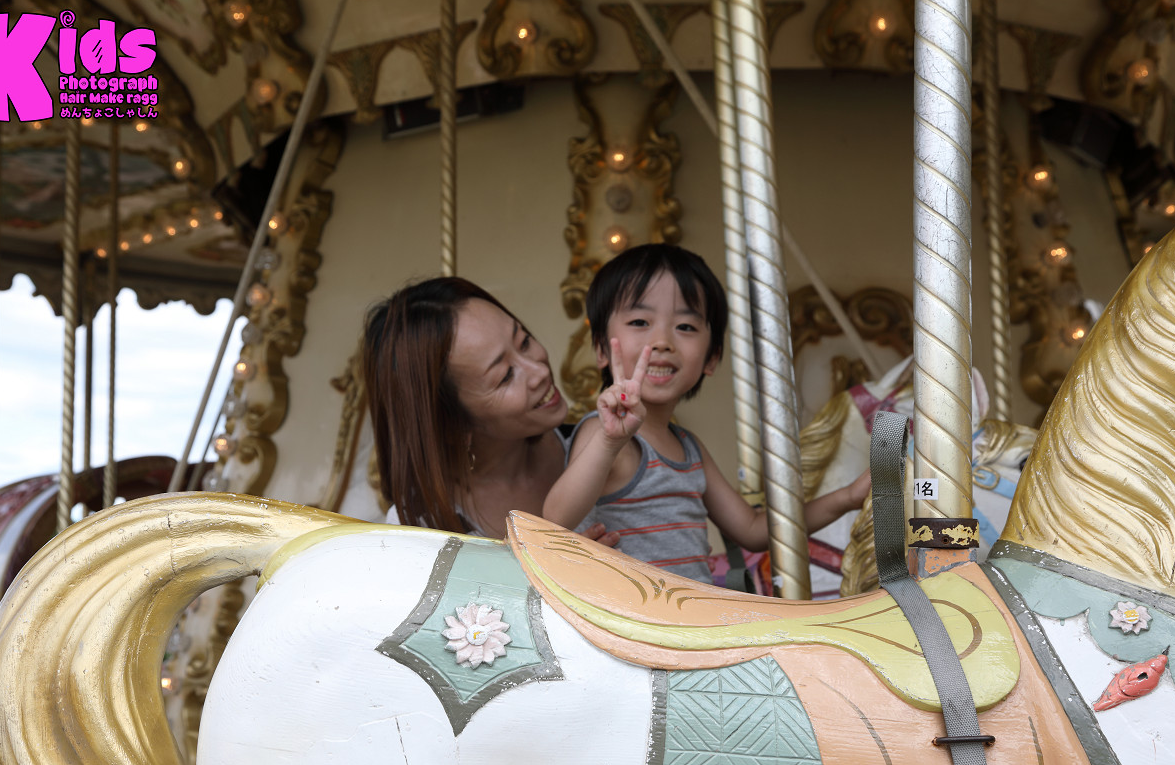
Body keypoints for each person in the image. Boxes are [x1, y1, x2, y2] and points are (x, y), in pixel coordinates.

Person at [543, 244, 869, 583]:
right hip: (628, 614)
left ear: (711, 358)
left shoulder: (689, 448)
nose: (662, 340)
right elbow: (555, 520)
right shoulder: (604, 434)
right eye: (640, 322)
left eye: (685, 326)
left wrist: (847, 498)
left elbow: (753, 530)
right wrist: (610, 441)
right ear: (600, 349)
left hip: (689, 612)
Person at [364, 277, 617, 544]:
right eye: (505, 376)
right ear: (453, 426)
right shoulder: (420, 532)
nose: (539, 371)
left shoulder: (606, 449)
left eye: (524, 341)